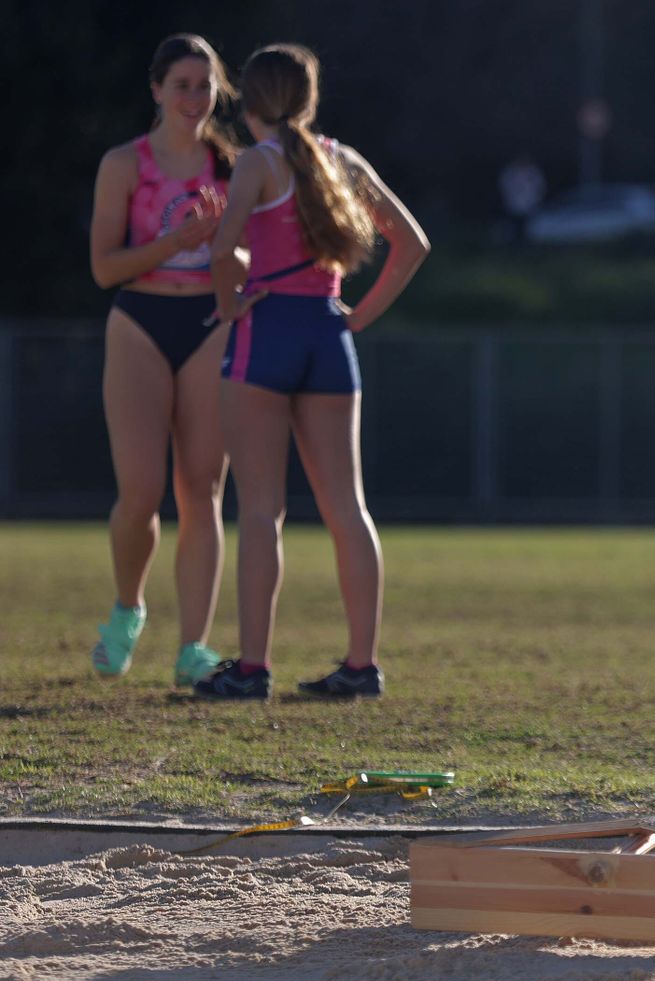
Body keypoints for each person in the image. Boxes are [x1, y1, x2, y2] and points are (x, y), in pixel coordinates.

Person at [194, 43, 429, 701]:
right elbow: (411, 243)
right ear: (308, 97)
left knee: (262, 510)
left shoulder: (256, 164)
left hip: (264, 335)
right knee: (347, 507)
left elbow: (220, 251)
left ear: (250, 100)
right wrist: (355, 320)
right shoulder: (340, 159)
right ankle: (362, 665)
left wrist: (228, 304)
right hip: (328, 336)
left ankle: (252, 668)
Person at [87, 34, 236, 688]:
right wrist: (178, 240)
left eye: (205, 86)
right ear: (156, 89)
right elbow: (103, 268)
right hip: (139, 323)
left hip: (210, 325)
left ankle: (194, 648)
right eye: (182, 84)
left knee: (202, 489)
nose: (195, 98)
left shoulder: (233, 166)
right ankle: (128, 609)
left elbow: (253, 253)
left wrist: (229, 258)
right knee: (141, 492)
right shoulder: (125, 164)